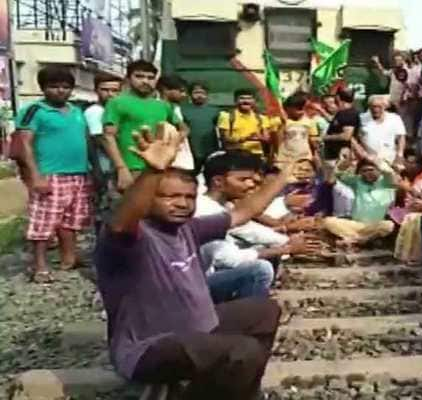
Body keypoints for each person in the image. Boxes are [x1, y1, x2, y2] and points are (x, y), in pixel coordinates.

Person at [95, 125, 289, 399]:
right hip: (148, 348)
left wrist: (283, 176)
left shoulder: (189, 228)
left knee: (265, 312)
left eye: (188, 197)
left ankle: (238, 389)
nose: (182, 204)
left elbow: (244, 212)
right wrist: (153, 171)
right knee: (243, 351)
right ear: (150, 198)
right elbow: (121, 223)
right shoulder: (130, 240)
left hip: (197, 328)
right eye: (170, 196)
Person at [196, 152, 319, 303]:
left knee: (265, 247)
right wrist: (286, 248)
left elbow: (252, 231)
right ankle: (247, 317)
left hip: (207, 276)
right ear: (218, 182)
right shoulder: (205, 209)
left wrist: (289, 241)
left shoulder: (224, 206)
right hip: (194, 285)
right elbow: (229, 259)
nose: (250, 184)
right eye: (243, 179)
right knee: (260, 269)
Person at [14, 66, 94, 283]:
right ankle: (40, 266)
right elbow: (24, 145)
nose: (60, 91)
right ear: (43, 88)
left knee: (71, 221)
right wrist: (35, 176)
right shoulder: (34, 111)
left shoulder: (77, 111)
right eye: (54, 87)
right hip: (50, 174)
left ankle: (69, 259)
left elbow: (86, 140)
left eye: (65, 87)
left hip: (79, 173)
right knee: (43, 222)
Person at [103, 60, 187, 192]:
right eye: (139, 76)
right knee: (130, 209)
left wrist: (174, 146)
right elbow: (108, 136)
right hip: (131, 167)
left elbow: (183, 129)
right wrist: (121, 168)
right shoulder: (117, 102)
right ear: (128, 79)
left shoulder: (163, 105)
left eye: (150, 77)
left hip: (161, 166)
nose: (145, 81)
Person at [322, 158, 397, 247]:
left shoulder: (386, 182)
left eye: (371, 170)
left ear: (379, 170)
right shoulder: (358, 182)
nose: (367, 173)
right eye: (364, 171)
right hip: (356, 226)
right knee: (328, 221)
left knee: (388, 225)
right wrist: (342, 163)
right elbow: (338, 175)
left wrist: (374, 160)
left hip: (375, 226)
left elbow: (389, 173)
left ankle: (354, 240)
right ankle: (360, 240)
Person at [84, 73, 122, 230]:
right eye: (104, 89)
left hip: (117, 168)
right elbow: (99, 140)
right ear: (96, 90)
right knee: (106, 212)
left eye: (114, 90)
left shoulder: (116, 110)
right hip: (105, 169)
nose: (110, 94)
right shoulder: (95, 111)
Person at [372, 52, 420, 138]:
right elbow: (384, 72)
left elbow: (410, 86)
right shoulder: (394, 71)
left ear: (403, 60)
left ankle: (407, 137)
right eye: (395, 60)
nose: (397, 62)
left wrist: (402, 98)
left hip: (402, 100)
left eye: (399, 60)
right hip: (393, 98)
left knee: (404, 119)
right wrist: (377, 62)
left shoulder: (407, 71)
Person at [181, 81, 221, 174]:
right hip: (190, 151)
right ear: (190, 95)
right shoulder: (183, 110)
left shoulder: (215, 111)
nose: (199, 96)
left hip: (210, 150)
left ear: (207, 95)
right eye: (196, 93)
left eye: (202, 93)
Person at [356, 95, 407, 167]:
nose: (376, 109)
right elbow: (357, 137)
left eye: (379, 106)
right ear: (369, 107)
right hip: (369, 158)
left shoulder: (395, 118)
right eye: (373, 106)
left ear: (385, 107)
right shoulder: (362, 118)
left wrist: (400, 154)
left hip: (389, 157)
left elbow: (401, 137)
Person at [157, 74, 195, 171]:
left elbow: (184, 129)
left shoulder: (176, 107)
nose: (184, 95)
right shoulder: (157, 106)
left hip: (178, 152)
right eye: (181, 91)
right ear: (165, 89)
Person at [217, 89, 269, 157]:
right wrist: (245, 138)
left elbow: (267, 138)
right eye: (242, 98)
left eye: (249, 98)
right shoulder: (226, 116)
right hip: (234, 155)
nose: (246, 101)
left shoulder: (262, 118)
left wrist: (261, 138)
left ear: (254, 101)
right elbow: (224, 138)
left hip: (256, 155)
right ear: (235, 101)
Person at [273, 93, 319, 168]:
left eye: (302, 108)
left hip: (304, 158)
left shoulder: (310, 122)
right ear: (288, 108)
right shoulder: (279, 121)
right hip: (284, 160)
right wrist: (283, 124)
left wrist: (315, 155)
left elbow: (313, 142)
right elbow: (276, 141)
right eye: (297, 107)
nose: (300, 111)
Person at [324, 88, 360, 161]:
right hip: (333, 154)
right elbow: (337, 123)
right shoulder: (343, 112)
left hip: (341, 155)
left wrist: (326, 137)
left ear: (338, 98)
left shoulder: (348, 113)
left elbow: (346, 136)